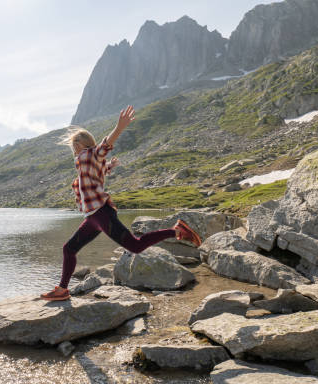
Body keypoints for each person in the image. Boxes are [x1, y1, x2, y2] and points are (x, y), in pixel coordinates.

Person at [40, 105, 202, 301]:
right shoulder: (90, 162)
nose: (74, 150)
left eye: (75, 146)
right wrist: (110, 166)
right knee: (69, 248)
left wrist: (119, 127)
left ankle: (177, 230)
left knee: (135, 246)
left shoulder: (90, 154)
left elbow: (104, 146)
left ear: (83, 145)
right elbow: (98, 169)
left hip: (101, 214)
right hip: (93, 217)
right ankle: (63, 289)